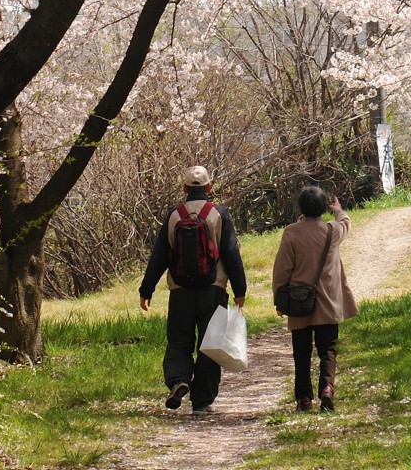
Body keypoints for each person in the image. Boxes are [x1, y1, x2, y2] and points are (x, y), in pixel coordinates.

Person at [139, 165, 246, 415]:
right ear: (209, 188)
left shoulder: (174, 215)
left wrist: (147, 289)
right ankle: (202, 402)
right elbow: (231, 252)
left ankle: (178, 380)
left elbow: (160, 255)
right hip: (213, 289)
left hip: (180, 292)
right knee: (210, 345)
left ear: (185, 188)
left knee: (179, 340)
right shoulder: (218, 213)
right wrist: (240, 289)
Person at [272, 186, 358, 413]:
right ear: (323, 208)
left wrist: (279, 298)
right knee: (328, 349)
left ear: (301, 207)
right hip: (329, 301)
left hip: (299, 301)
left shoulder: (291, 232)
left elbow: (282, 268)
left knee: (301, 352)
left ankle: (303, 398)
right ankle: (327, 389)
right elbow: (346, 221)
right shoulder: (333, 231)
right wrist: (338, 210)